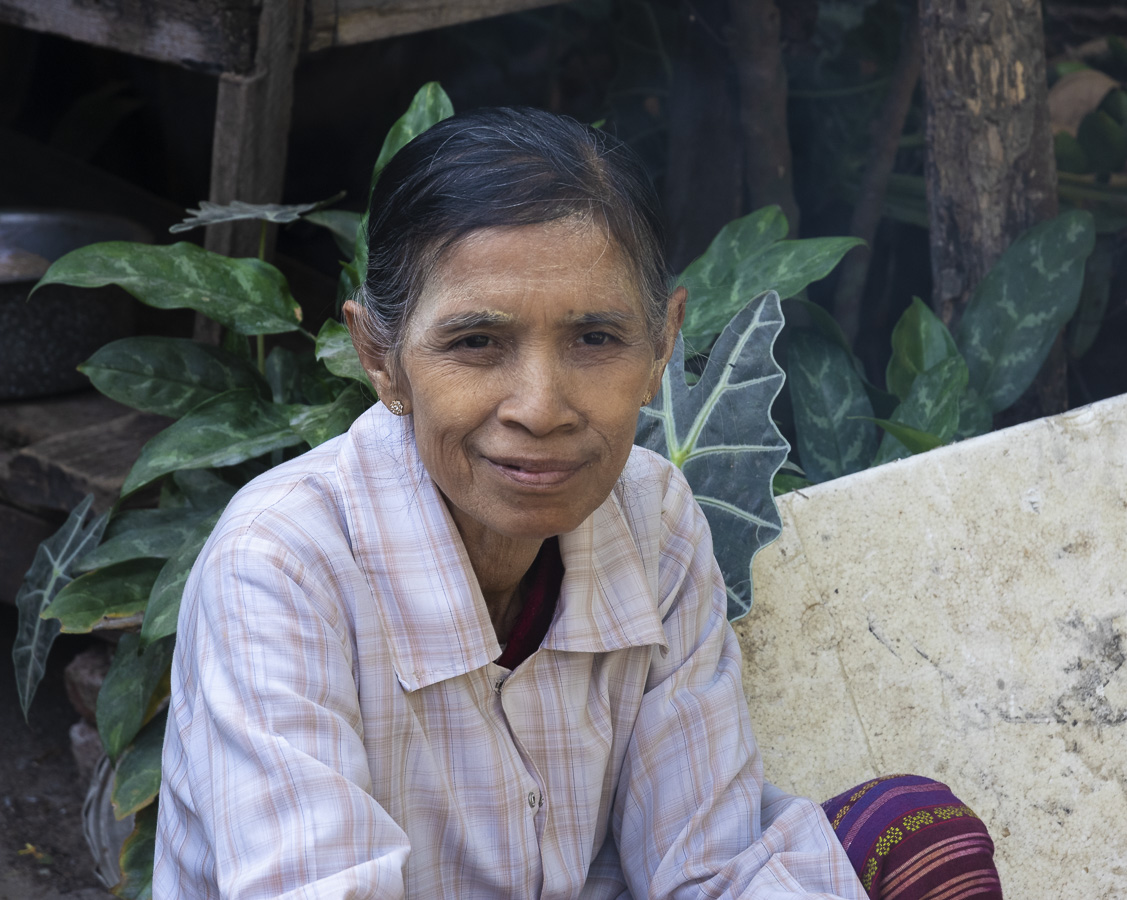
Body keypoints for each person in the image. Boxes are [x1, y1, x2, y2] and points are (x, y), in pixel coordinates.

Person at [154, 107, 999, 899]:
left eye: (595, 339)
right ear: (381, 359)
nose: (541, 407)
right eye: (476, 343)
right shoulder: (279, 566)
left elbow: (704, 861)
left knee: (918, 843)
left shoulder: (652, 514)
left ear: (662, 344)